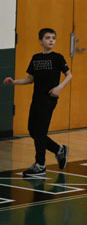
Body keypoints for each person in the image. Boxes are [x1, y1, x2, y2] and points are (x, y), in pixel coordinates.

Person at [3, 28, 72, 176]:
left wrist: (59, 88)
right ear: (41, 41)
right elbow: (30, 79)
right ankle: (59, 150)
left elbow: (69, 75)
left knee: (40, 132)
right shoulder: (36, 58)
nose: (51, 40)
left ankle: (40, 164)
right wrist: (14, 82)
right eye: (48, 38)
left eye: (53, 38)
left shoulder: (57, 57)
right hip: (36, 98)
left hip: (49, 99)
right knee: (33, 130)